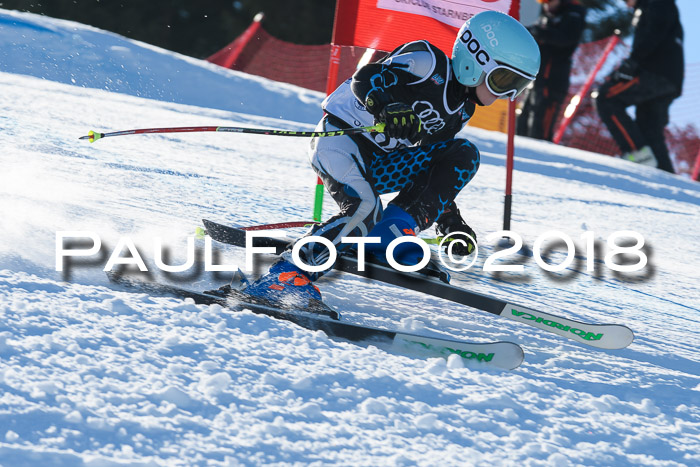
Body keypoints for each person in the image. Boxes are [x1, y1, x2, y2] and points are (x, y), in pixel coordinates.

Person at [240, 11, 541, 308]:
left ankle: (390, 234)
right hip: (341, 141)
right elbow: (366, 78)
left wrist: (449, 221)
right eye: (504, 80)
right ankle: (286, 275)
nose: (509, 94)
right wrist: (387, 105)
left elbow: (429, 167)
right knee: (365, 207)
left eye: (518, 86)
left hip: (384, 163)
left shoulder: (462, 110)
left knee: (463, 153)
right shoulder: (427, 61)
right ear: (475, 60)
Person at [595, 0, 684, 173]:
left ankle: (638, 156)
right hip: (669, 79)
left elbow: (655, 32)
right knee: (649, 125)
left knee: (605, 97)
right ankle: (665, 175)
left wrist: (632, 63)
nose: (625, 3)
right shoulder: (650, 7)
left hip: (654, 73)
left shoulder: (656, 4)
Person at [516, 0, 587, 141]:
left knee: (540, 128)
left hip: (553, 80)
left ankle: (538, 159)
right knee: (523, 119)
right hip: (537, 78)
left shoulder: (573, 15)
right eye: (543, 2)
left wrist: (541, 33)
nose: (546, 6)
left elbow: (566, 38)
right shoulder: (549, 16)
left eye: (549, 2)